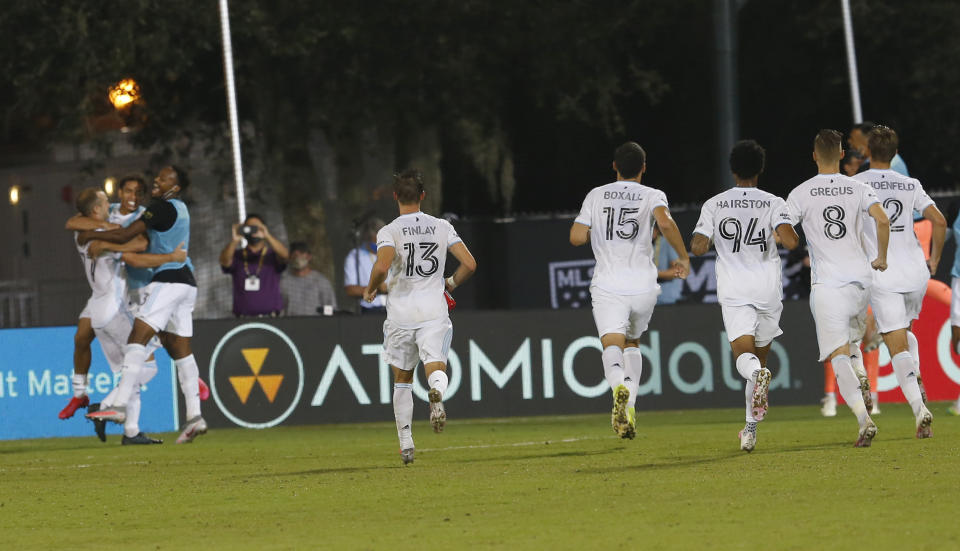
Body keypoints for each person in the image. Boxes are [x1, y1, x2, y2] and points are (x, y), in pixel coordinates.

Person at [570, 141, 690, 440]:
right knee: (633, 343)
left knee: (612, 343)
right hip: (643, 286)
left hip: (609, 284)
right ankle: (631, 406)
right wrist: (683, 256)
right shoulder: (652, 195)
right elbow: (666, 222)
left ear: (614, 167)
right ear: (644, 167)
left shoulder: (596, 195)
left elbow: (575, 237)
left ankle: (617, 390)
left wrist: (593, 232)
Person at [82, 165, 208, 444]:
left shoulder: (161, 208)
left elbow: (130, 235)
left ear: (174, 187)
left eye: (163, 178)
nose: (157, 180)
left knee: (137, 338)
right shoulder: (182, 208)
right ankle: (195, 416)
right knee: (181, 352)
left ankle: (120, 406)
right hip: (187, 283)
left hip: (168, 282)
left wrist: (98, 239)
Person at [691, 140, 800, 452]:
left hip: (736, 289)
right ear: (760, 169)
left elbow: (698, 246)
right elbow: (792, 242)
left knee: (745, 358)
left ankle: (757, 381)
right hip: (768, 288)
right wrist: (779, 233)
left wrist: (708, 240)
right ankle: (750, 430)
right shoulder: (773, 202)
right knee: (759, 359)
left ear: (732, 169)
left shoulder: (715, 204)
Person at [363, 169, 477, 465]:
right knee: (435, 365)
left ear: (395, 196)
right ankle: (436, 392)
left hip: (401, 313)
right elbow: (470, 264)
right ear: (423, 196)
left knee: (402, 380)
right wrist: (449, 283)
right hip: (432, 311)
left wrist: (371, 288)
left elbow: (382, 265)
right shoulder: (441, 226)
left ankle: (406, 444)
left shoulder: (389, 230)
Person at [786, 129, 888, 447]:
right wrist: (881, 257)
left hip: (828, 283)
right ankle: (860, 375)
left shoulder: (800, 193)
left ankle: (862, 419)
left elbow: (785, 232)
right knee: (854, 342)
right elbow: (883, 220)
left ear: (815, 155)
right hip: (861, 281)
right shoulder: (859, 186)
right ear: (842, 155)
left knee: (837, 353)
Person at [854, 125, 944, 438]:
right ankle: (918, 388)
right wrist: (934, 259)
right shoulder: (910, 183)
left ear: (868, 151)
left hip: (884, 273)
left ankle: (920, 410)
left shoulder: (856, 184)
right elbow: (940, 221)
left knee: (896, 346)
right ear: (894, 153)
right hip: (916, 273)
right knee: (905, 334)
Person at [220, 213, 289, 317]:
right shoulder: (237, 255)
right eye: (250, 228)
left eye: (256, 228)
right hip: (242, 318)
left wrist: (267, 236)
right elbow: (224, 261)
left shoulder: (272, 254)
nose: (253, 231)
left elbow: (285, 256)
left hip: (272, 318)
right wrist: (235, 240)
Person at [280, 241, 337, 316]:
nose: (298, 256)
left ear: (309, 256)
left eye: (302, 253)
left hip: (316, 325)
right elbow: (279, 310)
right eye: (294, 254)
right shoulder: (283, 282)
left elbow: (331, 308)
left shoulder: (321, 281)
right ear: (290, 258)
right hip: (289, 325)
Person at [345, 218, 387, 314]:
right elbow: (350, 289)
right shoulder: (355, 256)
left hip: (395, 309)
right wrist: (376, 289)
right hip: (370, 311)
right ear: (368, 239)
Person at [653, 228, 683, 305]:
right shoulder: (638, 246)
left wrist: (654, 274)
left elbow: (678, 271)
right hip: (646, 300)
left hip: (667, 300)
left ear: (657, 230)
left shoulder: (668, 243)